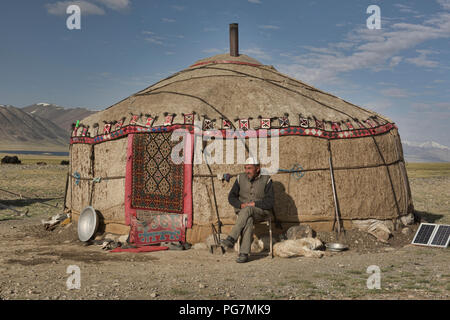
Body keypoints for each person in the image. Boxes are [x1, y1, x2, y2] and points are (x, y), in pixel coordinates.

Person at [221, 157, 274, 263]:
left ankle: (232, 238)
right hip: (244, 212)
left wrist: (255, 204)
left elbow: (270, 202)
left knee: (248, 209)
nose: (247, 171)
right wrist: (240, 205)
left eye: (249, 168)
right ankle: (244, 254)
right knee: (248, 218)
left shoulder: (267, 180)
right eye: (245, 168)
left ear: (257, 168)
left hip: (261, 212)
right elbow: (231, 197)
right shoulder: (240, 178)